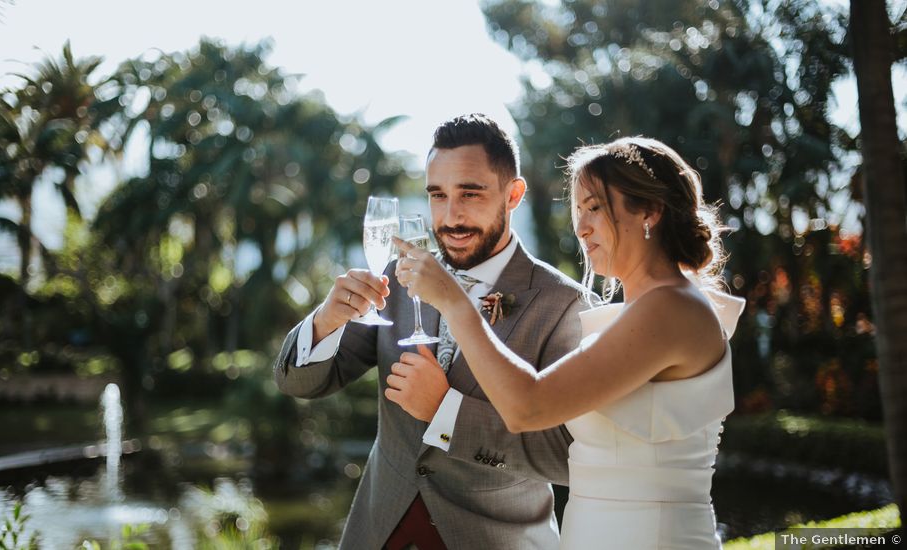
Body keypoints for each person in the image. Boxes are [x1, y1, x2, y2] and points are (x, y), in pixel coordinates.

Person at [393, 136, 746, 549]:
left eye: (594, 207)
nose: (580, 226)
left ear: (649, 211)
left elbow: (529, 406)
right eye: (577, 210)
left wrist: (455, 303)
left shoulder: (669, 308)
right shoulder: (640, 311)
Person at [273, 113, 589, 549]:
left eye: (470, 194)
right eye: (437, 196)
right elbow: (298, 382)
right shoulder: (400, 276)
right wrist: (326, 321)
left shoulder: (562, 304)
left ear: (513, 194)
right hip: (380, 533)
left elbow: (568, 456)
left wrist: (446, 411)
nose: (450, 216)